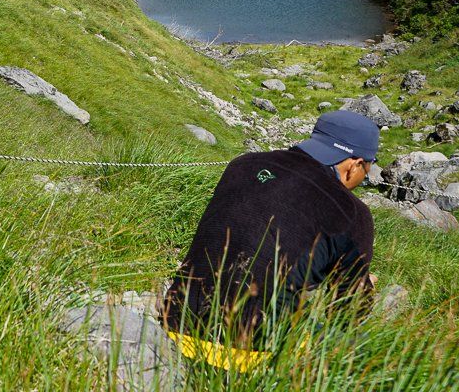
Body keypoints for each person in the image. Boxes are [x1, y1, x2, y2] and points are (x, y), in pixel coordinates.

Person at [160, 109, 378, 371]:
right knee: (363, 349)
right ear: (354, 165)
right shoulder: (353, 212)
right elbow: (347, 313)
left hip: (176, 325)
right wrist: (365, 285)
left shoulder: (242, 164)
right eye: (368, 169)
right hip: (251, 353)